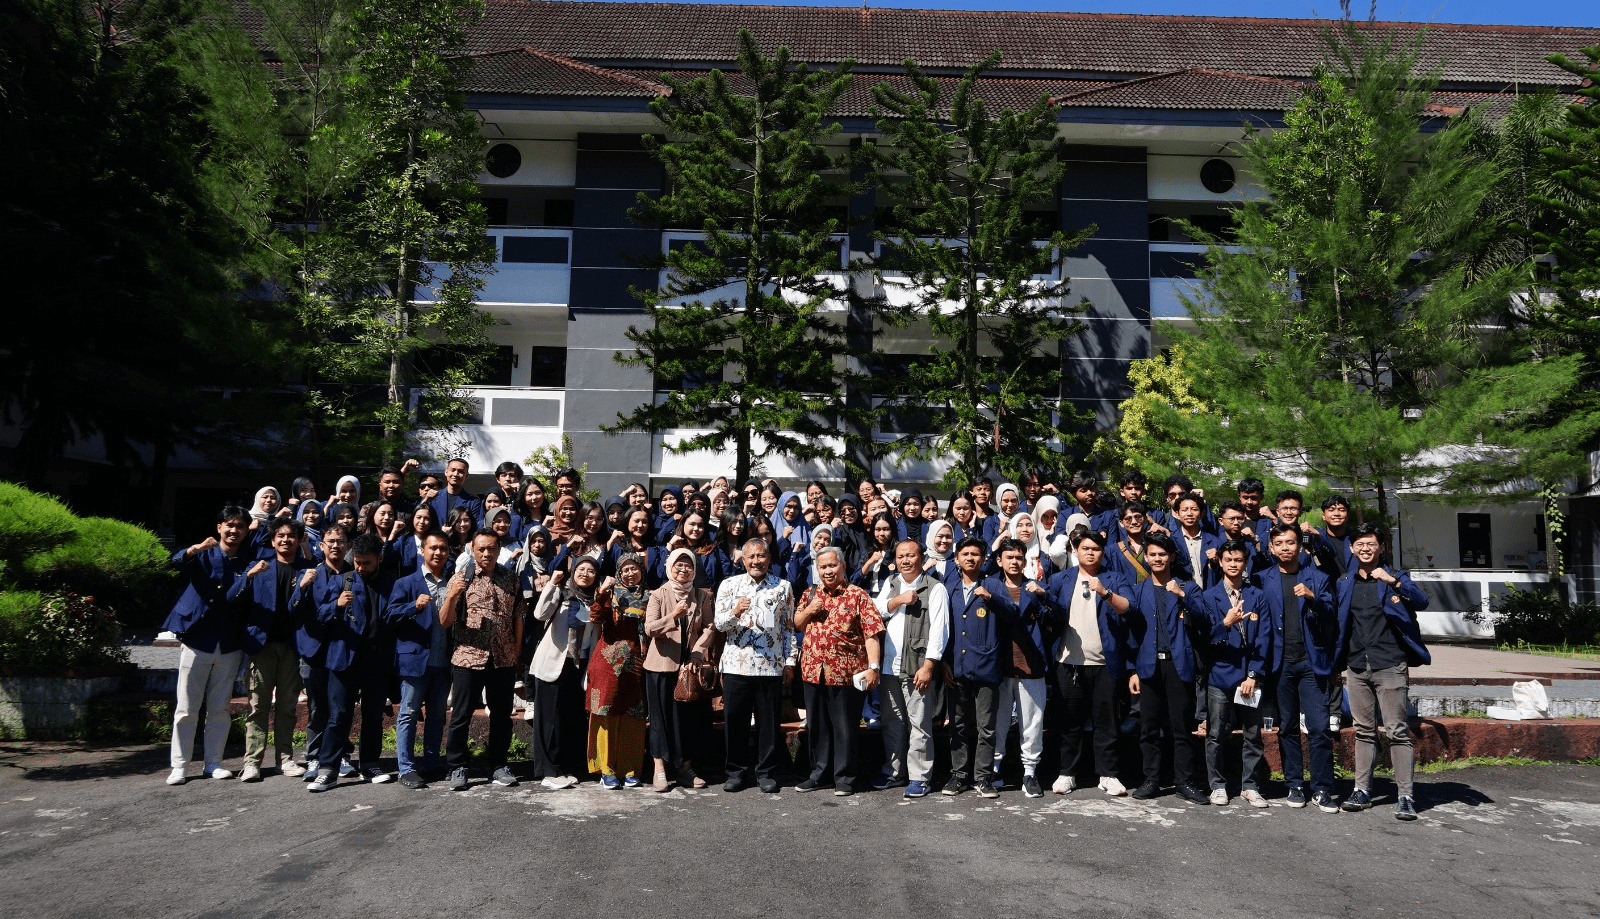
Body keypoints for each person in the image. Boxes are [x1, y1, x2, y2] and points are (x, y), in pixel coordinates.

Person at [1337, 524, 1430, 821]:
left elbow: (1422, 601)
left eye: (1370, 543)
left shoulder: (1396, 577)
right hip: (1356, 666)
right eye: (1360, 544)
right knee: (1363, 731)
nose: (1365, 548)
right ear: (1352, 548)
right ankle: (1362, 790)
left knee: (1397, 732)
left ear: (1380, 547)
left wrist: (1392, 581)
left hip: (1389, 664)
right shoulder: (1345, 581)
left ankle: (1405, 796)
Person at [163, 506, 254, 785]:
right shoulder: (204, 553)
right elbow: (174, 563)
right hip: (196, 638)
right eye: (229, 524)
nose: (234, 530)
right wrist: (194, 548)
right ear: (219, 527)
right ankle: (179, 766)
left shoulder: (249, 561)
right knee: (187, 708)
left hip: (228, 643)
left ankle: (213, 762)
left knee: (219, 708)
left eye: (240, 526)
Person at [1258, 522, 1339, 812]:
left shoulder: (1317, 577)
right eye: (1279, 543)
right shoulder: (1262, 578)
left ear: (1299, 545)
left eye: (1290, 543)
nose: (1285, 548)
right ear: (1270, 548)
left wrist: (1313, 598)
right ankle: (1293, 784)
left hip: (1311, 663)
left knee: (1318, 729)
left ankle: (1322, 788)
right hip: (1279, 665)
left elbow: (1332, 616)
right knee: (1287, 728)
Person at [1045, 529, 1133, 796]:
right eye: (1085, 548)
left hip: (1105, 663)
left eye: (1096, 548)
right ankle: (1067, 772)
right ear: (1075, 550)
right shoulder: (1061, 579)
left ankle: (1108, 774)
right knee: (1069, 722)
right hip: (1068, 662)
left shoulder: (1114, 578)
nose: (1090, 552)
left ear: (1103, 552)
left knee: (1106, 722)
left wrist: (1105, 593)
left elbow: (1128, 607)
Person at [793, 546, 884, 796]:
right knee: (818, 725)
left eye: (832, 565)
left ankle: (845, 776)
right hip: (813, 671)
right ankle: (819, 774)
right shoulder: (809, 593)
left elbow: (872, 633)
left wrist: (873, 667)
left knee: (845, 727)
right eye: (823, 567)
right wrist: (811, 609)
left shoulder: (858, 595)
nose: (828, 571)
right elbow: (797, 625)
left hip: (845, 672)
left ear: (843, 566)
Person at [440, 529, 526, 791]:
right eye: (481, 549)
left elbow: (518, 619)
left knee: (501, 715)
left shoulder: (510, 579)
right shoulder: (460, 578)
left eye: (492, 548)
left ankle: (498, 764)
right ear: (472, 550)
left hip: (503, 658)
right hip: (468, 658)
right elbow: (444, 621)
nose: (487, 553)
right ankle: (457, 766)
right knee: (461, 716)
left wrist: (517, 653)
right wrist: (453, 594)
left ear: (500, 549)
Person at [308, 534, 393, 791]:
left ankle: (369, 764)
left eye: (366, 563)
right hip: (343, 658)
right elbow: (318, 616)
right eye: (356, 561)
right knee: (339, 716)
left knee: (373, 716)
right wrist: (336, 604)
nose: (360, 568)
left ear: (379, 559)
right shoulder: (341, 581)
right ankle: (328, 769)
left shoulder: (391, 583)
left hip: (376, 660)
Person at [1126, 534, 1207, 803]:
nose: (1158, 559)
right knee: (1149, 727)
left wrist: (1183, 596)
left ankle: (1184, 780)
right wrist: (1132, 670)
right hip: (1148, 666)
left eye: (1163, 554)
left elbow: (1205, 618)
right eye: (1153, 554)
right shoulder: (1138, 590)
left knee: (1181, 728)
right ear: (1146, 558)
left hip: (1178, 665)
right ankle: (1151, 779)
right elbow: (1130, 633)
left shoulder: (1188, 587)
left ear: (1171, 557)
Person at [232, 518, 315, 782]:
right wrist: (250, 575)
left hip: (292, 646)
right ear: (272, 540)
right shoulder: (260, 567)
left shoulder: (307, 570)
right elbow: (236, 599)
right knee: (258, 705)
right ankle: (252, 762)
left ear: (299, 539)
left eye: (291, 536)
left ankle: (286, 759)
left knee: (288, 706)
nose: (285, 540)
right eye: (280, 536)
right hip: (261, 645)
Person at [714, 538, 797, 794]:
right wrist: (736, 611)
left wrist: (790, 661)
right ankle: (736, 772)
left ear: (768, 558)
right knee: (735, 722)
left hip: (770, 666)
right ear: (743, 559)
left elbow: (789, 627)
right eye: (751, 557)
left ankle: (766, 773)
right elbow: (719, 625)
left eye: (761, 556)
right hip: (736, 666)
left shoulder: (782, 587)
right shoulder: (729, 585)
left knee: (768, 724)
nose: (756, 561)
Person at [872, 539, 949, 799]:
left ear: (921, 557)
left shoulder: (935, 588)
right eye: (901, 556)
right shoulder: (891, 583)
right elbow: (876, 610)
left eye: (911, 555)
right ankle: (894, 771)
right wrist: (899, 600)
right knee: (892, 722)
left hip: (917, 665)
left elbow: (940, 631)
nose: (906, 560)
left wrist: (929, 666)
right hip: (888, 666)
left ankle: (919, 777)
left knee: (919, 724)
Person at [1198, 539, 1272, 807]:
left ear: (1245, 563)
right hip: (1220, 675)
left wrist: (1253, 674)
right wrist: (1225, 624)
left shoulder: (1257, 596)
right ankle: (1217, 785)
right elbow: (1203, 638)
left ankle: (1250, 786)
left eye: (1238, 560)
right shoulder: (1208, 597)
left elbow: (1264, 638)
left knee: (1253, 734)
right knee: (1216, 734)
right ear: (1219, 562)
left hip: (1248, 677)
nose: (1233, 564)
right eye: (1228, 560)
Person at [385, 530, 455, 788]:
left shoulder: (453, 582)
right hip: (415, 660)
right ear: (422, 551)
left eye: (443, 548)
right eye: (433, 548)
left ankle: (432, 763)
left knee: (437, 715)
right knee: (409, 714)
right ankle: (406, 768)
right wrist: (412, 606)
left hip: (443, 660)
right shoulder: (406, 583)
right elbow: (389, 616)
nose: (438, 553)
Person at [644, 548, 718, 791]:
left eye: (688, 565)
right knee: (660, 719)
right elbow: (650, 629)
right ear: (670, 567)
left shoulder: (701, 595)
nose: (684, 570)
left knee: (687, 721)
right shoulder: (658, 594)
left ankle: (685, 769)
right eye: (679, 565)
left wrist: (698, 651)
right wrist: (674, 616)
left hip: (689, 668)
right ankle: (659, 769)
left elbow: (710, 626)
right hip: (660, 666)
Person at [988, 537, 1054, 797]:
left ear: (1025, 561)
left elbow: (1058, 614)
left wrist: (1044, 595)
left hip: (1031, 664)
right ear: (999, 561)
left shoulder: (1035, 588)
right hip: (999, 666)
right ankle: (994, 768)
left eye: (1019, 558)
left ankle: (1030, 772)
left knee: (1032, 723)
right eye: (1009, 557)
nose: (1015, 562)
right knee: (999, 721)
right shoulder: (991, 587)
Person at [529, 556, 599, 790]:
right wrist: (551, 585)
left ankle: (562, 767)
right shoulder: (561, 592)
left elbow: (593, 637)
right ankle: (547, 771)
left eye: (591, 570)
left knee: (568, 719)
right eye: (581, 569)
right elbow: (539, 614)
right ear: (573, 571)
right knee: (548, 720)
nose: (586, 574)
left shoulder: (593, 601)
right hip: (552, 663)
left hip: (577, 666)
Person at [943, 537, 1001, 796]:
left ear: (983, 558)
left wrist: (991, 598)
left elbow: (1011, 613)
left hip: (987, 667)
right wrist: (943, 662)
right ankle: (959, 775)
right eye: (965, 554)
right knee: (957, 724)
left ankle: (983, 777)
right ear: (956, 559)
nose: (970, 558)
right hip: (956, 667)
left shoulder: (992, 585)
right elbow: (943, 630)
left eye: (975, 554)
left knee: (986, 727)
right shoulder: (949, 588)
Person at [586, 554, 648, 789]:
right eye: (626, 570)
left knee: (634, 716)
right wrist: (602, 592)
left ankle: (631, 768)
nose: (630, 573)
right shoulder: (609, 594)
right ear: (619, 573)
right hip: (607, 664)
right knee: (606, 715)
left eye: (635, 569)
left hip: (636, 664)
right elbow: (595, 617)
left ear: (642, 571)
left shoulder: (649, 597)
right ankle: (606, 769)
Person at [427, 458, 480, 525]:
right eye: (453, 470)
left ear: (466, 476)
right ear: (446, 472)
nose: (455, 474)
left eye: (461, 471)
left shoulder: (473, 502)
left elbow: (475, 527)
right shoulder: (433, 497)